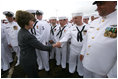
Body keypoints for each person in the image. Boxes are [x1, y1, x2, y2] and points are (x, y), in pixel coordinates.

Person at [79, 1, 117, 78]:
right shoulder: (94, 22)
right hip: (87, 63)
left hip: (105, 70)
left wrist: (113, 74)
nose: (98, 7)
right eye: (97, 4)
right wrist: (83, 52)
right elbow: (87, 40)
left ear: (114, 2)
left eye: (101, 4)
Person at [15, 10, 56, 78]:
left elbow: (44, 34)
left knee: (44, 57)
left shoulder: (40, 23)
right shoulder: (26, 28)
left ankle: (47, 68)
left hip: (39, 42)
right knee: (38, 57)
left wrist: (39, 41)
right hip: (32, 44)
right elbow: (30, 35)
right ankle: (40, 66)